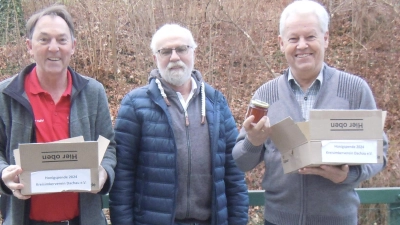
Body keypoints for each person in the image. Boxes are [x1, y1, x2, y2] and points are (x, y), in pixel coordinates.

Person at [232, 0, 388, 225]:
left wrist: (348, 175)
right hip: (278, 220)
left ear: (325, 39)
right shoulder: (265, 95)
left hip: (338, 220)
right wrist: (253, 142)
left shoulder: (354, 89)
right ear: (281, 43)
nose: (302, 45)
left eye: (310, 37)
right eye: (293, 39)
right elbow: (241, 162)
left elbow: (379, 152)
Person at [109, 23, 249, 225]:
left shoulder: (216, 102)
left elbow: (233, 174)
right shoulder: (135, 105)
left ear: (193, 53)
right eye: (165, 51)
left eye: (182, 49)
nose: (174, 57)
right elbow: (122, 178)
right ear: (155, 58)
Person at [0, 5, 116, 225]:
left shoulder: (93, 92)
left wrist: (105, 173)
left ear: (72, 47)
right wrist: (4, 173)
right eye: (44, 40)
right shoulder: (6, 95)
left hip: (83, 220)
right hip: (24, 220)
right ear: (29, 46)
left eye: (62, 40)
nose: (54, 48)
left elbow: (109, 145)